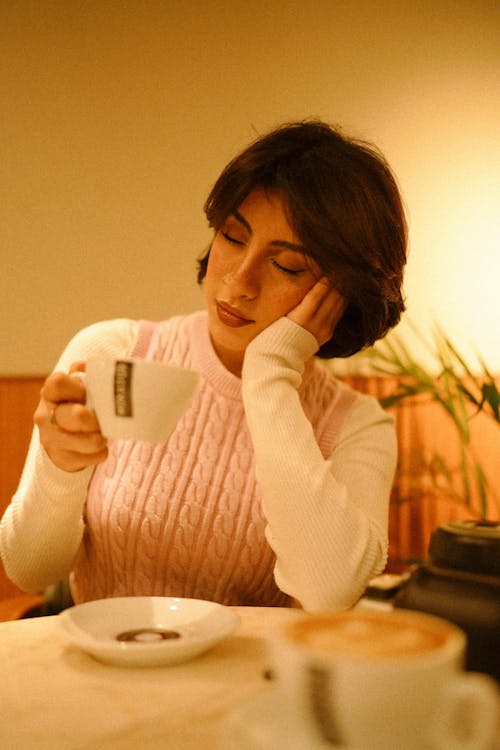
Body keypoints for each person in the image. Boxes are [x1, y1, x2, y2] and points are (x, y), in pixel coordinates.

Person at [0, 120, 407, 612]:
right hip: (106, 674)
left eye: (287, 266)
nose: (239, 281)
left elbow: (330, 593)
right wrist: (60, 467)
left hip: (250, 687)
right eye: (234, 236)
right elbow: (29, 569)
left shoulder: (356, 426)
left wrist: (270, 374)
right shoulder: (114, 353)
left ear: (340, 294)